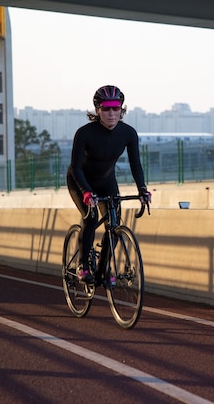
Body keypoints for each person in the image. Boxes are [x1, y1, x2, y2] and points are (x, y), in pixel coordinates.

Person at [67, 85, 148, 283]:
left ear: (121, 109)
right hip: (81, 182)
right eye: (106, 109)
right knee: (91, 218)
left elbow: (135, 164)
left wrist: (142, 190)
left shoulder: (128, 133)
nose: (111, 113)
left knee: (114, 223)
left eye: (116, 108)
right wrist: (86, 192)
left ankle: (104, 269)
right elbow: (76, 167)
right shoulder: (84, 133)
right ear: (97, 110)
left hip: (106, 181)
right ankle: (84, 266)